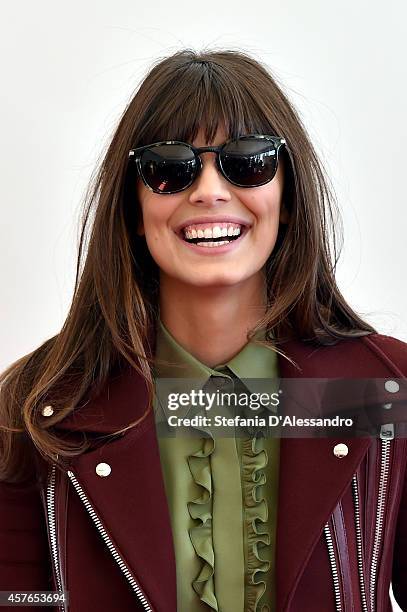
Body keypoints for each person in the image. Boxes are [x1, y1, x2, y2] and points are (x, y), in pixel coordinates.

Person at [0, 48, 406, 612]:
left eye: (249, 162)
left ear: (287, 197)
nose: (209, 191)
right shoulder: (39, 405)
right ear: (133, 207)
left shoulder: (389, 388)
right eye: (169, 168)